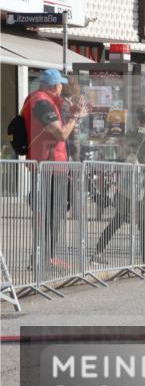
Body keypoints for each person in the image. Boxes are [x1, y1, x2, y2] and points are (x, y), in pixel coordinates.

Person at [20, 69, 88, 270]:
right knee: (50, 211)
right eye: (61, 84)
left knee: (55, 210)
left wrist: (73, 110)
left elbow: (59, 113)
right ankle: (45, 257)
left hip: (53, 165)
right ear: (54, 86)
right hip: (49, 165)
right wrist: (74, 118)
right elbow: (60, 133)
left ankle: (46, 255)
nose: (62, 88)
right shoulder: (41, 102)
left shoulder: (41, 100)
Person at [92, 104, 145, 265]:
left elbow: (122, 155)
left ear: (138, 118)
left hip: (127, 182)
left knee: (118, 218)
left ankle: (98, 250)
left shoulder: (129, 135)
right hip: (144, 184)